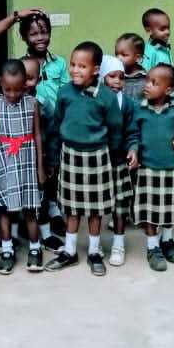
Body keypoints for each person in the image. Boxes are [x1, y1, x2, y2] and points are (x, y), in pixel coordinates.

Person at [44, 42, 122, 277]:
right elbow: (56, 124)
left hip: (98, 157)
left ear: (96, 70)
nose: (75, 70)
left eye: (82, 66)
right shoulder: (65, 92)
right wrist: (53, 155)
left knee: (95, 210)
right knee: (72, 208)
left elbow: (115, 129)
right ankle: (69, 251)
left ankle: (94, 252)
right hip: (70, 156)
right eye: (72, 64)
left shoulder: (107, 97)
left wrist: (114, 157)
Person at [128, 64, 174, 272]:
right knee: (149, 210)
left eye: (154, 83)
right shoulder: (139, 108)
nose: (147, 85)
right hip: (148, 168)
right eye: (147, 80)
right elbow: (133, 134)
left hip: (173, 168)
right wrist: (133, 151)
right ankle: (152, 247)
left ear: (168, 90)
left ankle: (166, 241)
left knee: (170, 208)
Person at [0, 59, 45, 275]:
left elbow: (37, 135)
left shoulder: (32, 103)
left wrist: (40, 167)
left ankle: (35, 248)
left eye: (18, 89)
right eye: (7, 89)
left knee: (30, 208)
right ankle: (6, 250)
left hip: (27, 160)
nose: (12, 94)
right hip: (3, 160)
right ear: (1, 83)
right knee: (3, 209)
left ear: (25, 85)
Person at [20, 12, 68, 236]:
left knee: (53, 167)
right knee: (35, 169)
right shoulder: (21, 65)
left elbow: (66, 92)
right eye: (33, 34)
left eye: (44, 32)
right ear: (24, 37)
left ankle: (54, 210)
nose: (40, 37)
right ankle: (34, 213)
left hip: (54, 126)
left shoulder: (59, 63)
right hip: (31, 128)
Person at [22, 55, 63, 252]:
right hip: (17, 158)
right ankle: (19, 231)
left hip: (40, 157)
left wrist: (52, 159)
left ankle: (46, 235)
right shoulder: (7, 102)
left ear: (38, 80)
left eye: (30, 78)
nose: (24, 82)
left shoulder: (43, 103)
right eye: (21, 77)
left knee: (42, 196)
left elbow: (53, 132)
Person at [99, 54, 136, 267]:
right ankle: (95, 244)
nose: (117, 81)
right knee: (96, 204)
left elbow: (132, 131)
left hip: (118, 160)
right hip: (97, 161)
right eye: (112, 76)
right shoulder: (94, 100)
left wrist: (133, 148)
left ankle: (118, 244)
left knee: (120, 204)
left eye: (121, 77)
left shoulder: (128, 104)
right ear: (102, 77)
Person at [115, 33, 148, 104]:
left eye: (124, 55)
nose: (118, 58)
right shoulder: (115, 77)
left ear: (138, 58)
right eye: (116, 54)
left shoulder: (146, 80)